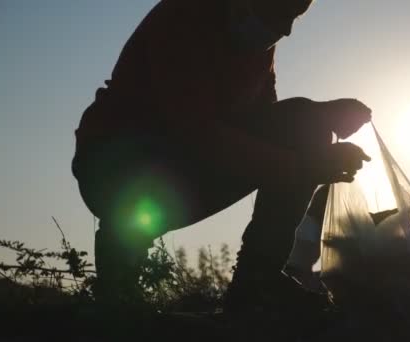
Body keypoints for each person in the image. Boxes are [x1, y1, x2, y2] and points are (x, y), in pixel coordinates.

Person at [71, 0, 372, 315]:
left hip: (186, 164)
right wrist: (305, 166)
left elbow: (268, 124)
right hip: (117, 168)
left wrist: (326, 116)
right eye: (281, 13)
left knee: (308, 122)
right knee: (304, 128)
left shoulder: (256, 41)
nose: (286, 30)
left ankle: (257, 283)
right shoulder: (183, 19)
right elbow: (194, 133)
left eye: (294, 17)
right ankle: (121, 256)